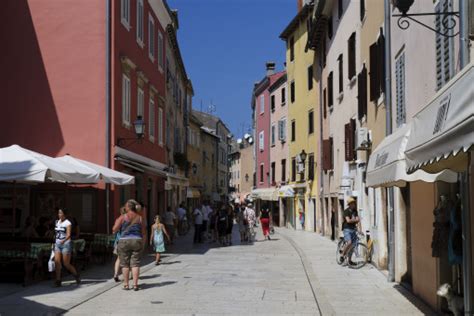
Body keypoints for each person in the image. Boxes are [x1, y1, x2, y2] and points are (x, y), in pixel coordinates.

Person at [112, 199, 146, 291]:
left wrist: (116, 226)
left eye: (126, 206)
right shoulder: (140, 217)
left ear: (127, 207)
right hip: (137, 240)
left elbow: (114, 229)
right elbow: (143, 232)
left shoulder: (123, 217)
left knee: (125, 264)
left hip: (124, 241)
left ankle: (126, 284)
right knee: (135, 264)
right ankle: (135, 285)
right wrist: (143, 244)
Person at [53, 208, 80, 287]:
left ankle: (76, 275)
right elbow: (56, 233)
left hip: (65, 244)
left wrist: (63, 241)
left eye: (61, 213)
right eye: (58, 213)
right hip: (57, 244)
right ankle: (58, 280)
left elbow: (68, 235)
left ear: (64, 214)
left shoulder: (68, 223)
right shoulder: (57, 222)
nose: (59, 215)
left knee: (66, 264)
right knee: (57, 263)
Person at [339, 197, 360, 265]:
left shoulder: (355, 211)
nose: (354, 204)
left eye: (354, 203)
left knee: (353, 246)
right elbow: (348, 221)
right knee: (349, 242)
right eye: (353, 203)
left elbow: (358, 220)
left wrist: (353, 220)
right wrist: (355, 220)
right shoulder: (346, 211)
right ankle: (342, 255)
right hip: (347, 229)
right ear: (350, 204)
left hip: (353, 229)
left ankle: (349, 261)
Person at [113, 207, 127, 282]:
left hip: (118, 241)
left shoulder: (118, 220)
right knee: (127, 259)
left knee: (118, 258)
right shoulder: (128, 220)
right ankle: (128, 276)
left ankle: (116, 274)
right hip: (126, 241)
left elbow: (114, 231)